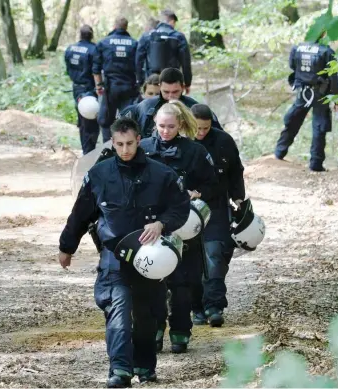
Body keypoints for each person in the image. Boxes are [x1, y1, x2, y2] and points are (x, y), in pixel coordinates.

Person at [59, 117, 190, 388]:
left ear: (139, 140)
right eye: (119, 144)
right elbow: (81, 214)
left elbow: (180, 208)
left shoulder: (161, 174)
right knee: (118, 311)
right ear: (113, 142)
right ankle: (120, 369)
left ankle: (144, 366)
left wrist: (161, 223)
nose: (125, 149)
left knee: (148, 315)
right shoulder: (99, 174)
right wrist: (66, 246)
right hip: (114, 257)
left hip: (150, 258)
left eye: (130, 143)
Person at [139, 100, 218, 354]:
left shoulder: (194, 151)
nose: (165, 131)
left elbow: (212, 184)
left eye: (171, 126)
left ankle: (181, 331)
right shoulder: (143, 149)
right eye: (161, 126)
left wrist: (198, 193)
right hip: (150, 227)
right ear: (154, 124)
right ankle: (155, 329)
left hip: (183, 226)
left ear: (180, 125)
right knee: (152, 282)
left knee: (183, 284)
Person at [190, 104, 245, 327]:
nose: (201, 133)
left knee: (216, 255)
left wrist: (239, 198)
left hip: (217, 205)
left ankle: (214, 305)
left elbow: (235, 171)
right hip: (187, 208)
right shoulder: (180, 141)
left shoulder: (223, 141)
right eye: (197, 128)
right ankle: (197, 307)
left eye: (205, 128)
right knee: (191, 259)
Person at [274, 34, 338, 172]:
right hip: (321, 93)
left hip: (303, 92)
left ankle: (279, 152)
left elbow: (292, 66)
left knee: (293, 120)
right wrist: (336, 97)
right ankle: (316, 164)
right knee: (319, 127)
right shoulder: (326, 51)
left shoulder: (298, 48)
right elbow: (334, 74)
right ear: (323, 34)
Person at [121, 67, 223, 137]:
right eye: (166, 92)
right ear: (160, 87)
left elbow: (218, 136)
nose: (170, 96)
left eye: (175, 92)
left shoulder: (193, 108)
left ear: (183, 87)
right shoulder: (146, 107)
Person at [93, 17, 139, 143]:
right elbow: (140, 67)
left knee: (106, 120)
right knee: (128, 121)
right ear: (126, 27)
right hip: (129, 87)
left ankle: (108, 146)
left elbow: (96, 68)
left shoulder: (104, 42)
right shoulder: (134, 43)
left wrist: (98, 86)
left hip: (110, 88)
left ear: (114, 26)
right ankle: (128, 145)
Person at [135, 9, 192, 92]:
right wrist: (187, 83)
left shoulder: (146, 36)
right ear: (172, 21)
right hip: (173, 82)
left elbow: (138, 60)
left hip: (152, 81)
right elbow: (185, 62)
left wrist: (140, 81)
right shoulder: (179, 37)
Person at [65, 25, 99, 155]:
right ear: (91, 35)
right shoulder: (94, 49)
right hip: (90, 89)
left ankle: (86, 151)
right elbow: (96, 70)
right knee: (91, 119)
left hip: (76, 88)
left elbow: (68, 69)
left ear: (80, 34)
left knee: (82, 119)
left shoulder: (70, 49)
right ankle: (89, 152)